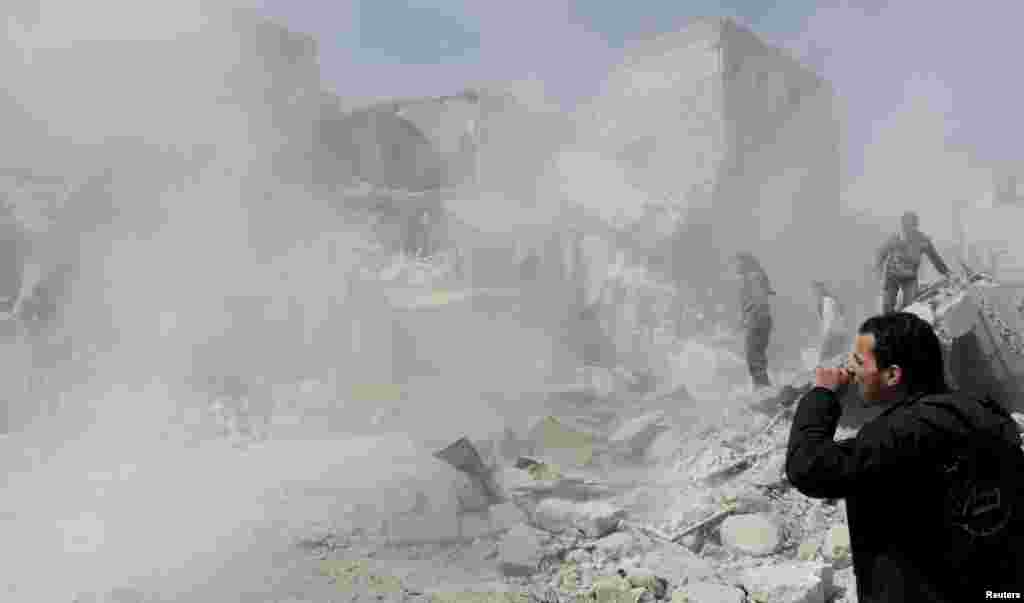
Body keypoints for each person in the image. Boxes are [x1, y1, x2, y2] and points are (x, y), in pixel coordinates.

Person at [786, 312, 1024, 601]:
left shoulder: (897, 435)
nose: (850, 368)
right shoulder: (990, 416)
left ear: (893, 374)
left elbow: (809, 468)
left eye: (860, 362)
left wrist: (822, 395)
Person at [875, 211, 951, 313]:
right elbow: (882, 253)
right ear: (902, 226)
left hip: (910, 277)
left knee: (910, 308)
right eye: (905, 227)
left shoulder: (922, 240)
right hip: (892, 276)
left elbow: (935, 258)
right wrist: (878, 270)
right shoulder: (895, 238)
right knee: (887, 306)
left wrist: (946, 272)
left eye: (910, 226)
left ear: (915, 226)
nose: (907, 230)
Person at [731, 252, 775, 389]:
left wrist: (751, 318)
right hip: (759, 319)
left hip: (756, 320)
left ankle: (763, 391)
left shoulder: (753, 277)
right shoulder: (754, 276)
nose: (735, 266)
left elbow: (758, 300)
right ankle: (763, 389)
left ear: (745, 263)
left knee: (754, 358)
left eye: (737, 263)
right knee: (756, 358)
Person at [810, 280, 851, 363]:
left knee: (824, 360)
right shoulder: (830, 300)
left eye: (816, 290)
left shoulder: (827, 301)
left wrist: (825, 337)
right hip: (839, 335)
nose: (814, 293)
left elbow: (830, 321)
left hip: (833, 335)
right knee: (835, 360)